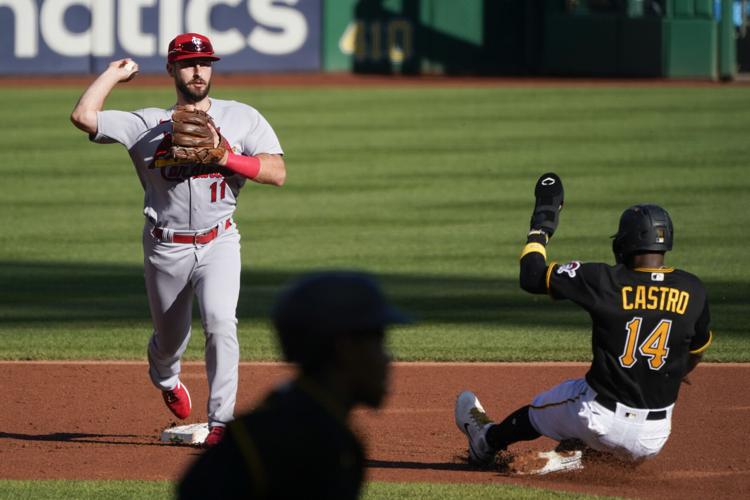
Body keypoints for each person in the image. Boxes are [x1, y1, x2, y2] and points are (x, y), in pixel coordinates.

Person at [70, 33, 286, 447]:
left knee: (222, 322)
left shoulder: (242, 117)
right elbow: (83, 116)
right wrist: (113, 74)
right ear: (172, 70)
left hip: (220, 241)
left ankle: (221, 422)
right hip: (164, 246)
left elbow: (276, 172)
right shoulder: (146, 123)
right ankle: (166, 376)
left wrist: (224, 156)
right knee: (171, 340)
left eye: (205, 62)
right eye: (188, 63)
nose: (198, 70)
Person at [455, 173, 712, 472]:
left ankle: (486, 441)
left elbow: (531, 276)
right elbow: (695, 351)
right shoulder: (693, 288)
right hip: (653, 437)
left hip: (598, 417)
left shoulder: (604, 280)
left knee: (540, 409)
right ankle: (572, 458)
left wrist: (541, 225)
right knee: (623, 451)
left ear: (624, 243)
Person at [177, 271, 409, 499]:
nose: (386, 358)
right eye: (378, 342)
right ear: (345, 348)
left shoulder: (321, 430)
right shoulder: (299, 442)